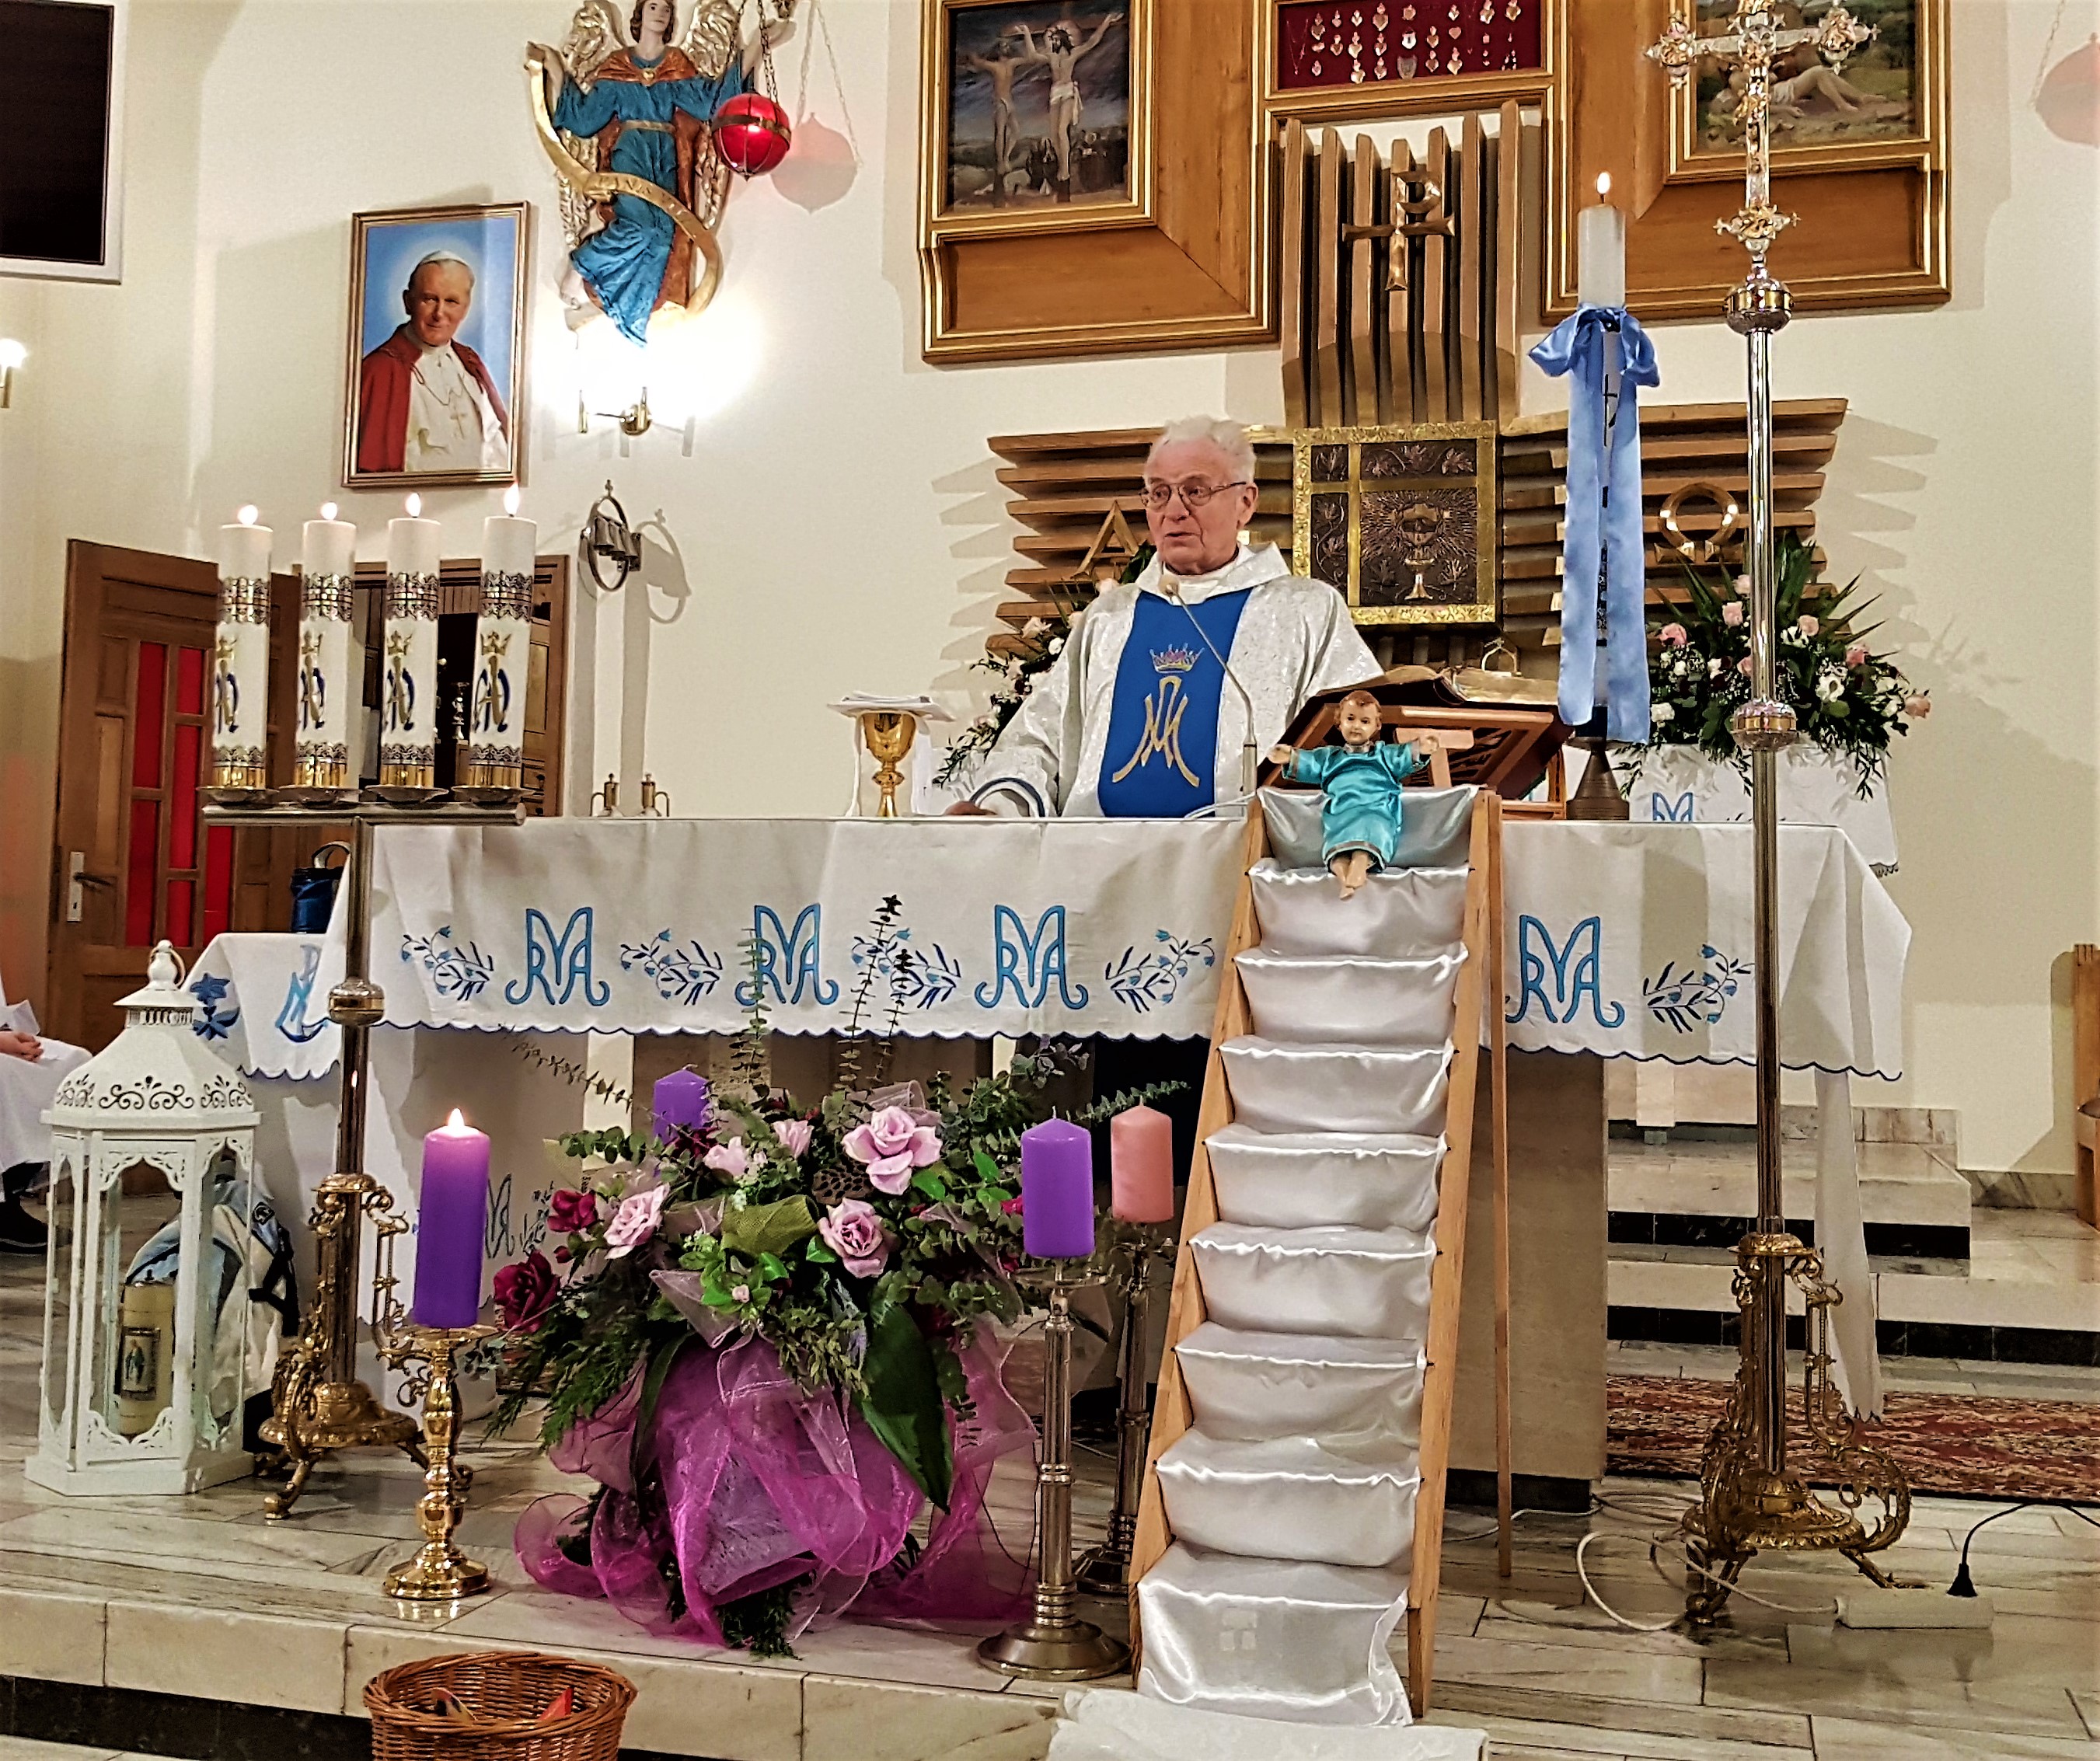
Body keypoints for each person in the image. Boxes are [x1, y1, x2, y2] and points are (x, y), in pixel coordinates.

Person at [955, 416, 1380, 821]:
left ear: (1246, 502)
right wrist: (999, 810)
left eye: (1196, 491)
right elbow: (1040, 739)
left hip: (1239, 855)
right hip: (1097, 855)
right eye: (1159, 493)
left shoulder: (1303, 610)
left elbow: (1357, 735)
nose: (1174, 510)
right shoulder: (1110, 617)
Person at [542, 0, 747, 345]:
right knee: (641, 226)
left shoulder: (675, 66)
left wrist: (755, 50)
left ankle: (629, 313)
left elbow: (710, 103)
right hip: (632, 151)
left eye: (666, 8)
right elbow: (586, 119)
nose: (661, 13)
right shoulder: (617, 68)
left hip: (665, 156)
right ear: (640, 15)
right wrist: (554, 69)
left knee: (664, 235)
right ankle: (579, 266)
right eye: (653, 6)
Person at [1269, 689, 1444, 898]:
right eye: (1350, 719)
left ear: (1377, 726)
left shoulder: (1383, 756)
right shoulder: (1330, 758)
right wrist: (1289, 756)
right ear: (1339, 722)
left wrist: (1421, 748)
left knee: (1371, 828)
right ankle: (1345, 879)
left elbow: (1403, 756)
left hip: (1376, 808)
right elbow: (1310, 762)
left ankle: (1360, 865)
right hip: (1342, 811)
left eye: (1365, 721)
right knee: (1337, 854)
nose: (1356, 726)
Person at [356, 253, 511, 476]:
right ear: (408, 302)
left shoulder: (470, 363)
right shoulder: (380, 370)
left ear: (465, 308)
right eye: (429, 299)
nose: (439, 313)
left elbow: (499, 445)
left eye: (451, 302)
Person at [1008, 12, 1123, 201]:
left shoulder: (1073, 54)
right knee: (1054, 134)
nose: (1052, 42)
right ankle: (1062, 168)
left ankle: (1065, 170)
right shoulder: (1051, 57)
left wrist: (1106, 23)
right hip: (1055, 93)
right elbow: (1032, 55)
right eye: (1051, 39)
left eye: (1054, 39)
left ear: (1062, 39)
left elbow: (1092, 42)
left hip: (1068, 91)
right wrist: (1027, 34)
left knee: (1062, 130)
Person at [961, 37, 1029, 206]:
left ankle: (1005, 157)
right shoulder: (994, 66)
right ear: (997, 50)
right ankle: (1001, 161)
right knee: (1001, 132)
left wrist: (1026, 36)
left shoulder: (1011, 63)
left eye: (1006, 45)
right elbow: (978, 62)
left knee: (1016, 131)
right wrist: (971, 52)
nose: (1005, 48)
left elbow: (1028, 58)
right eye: (1002, 46)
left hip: (1009, 102)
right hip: (1000, 102)